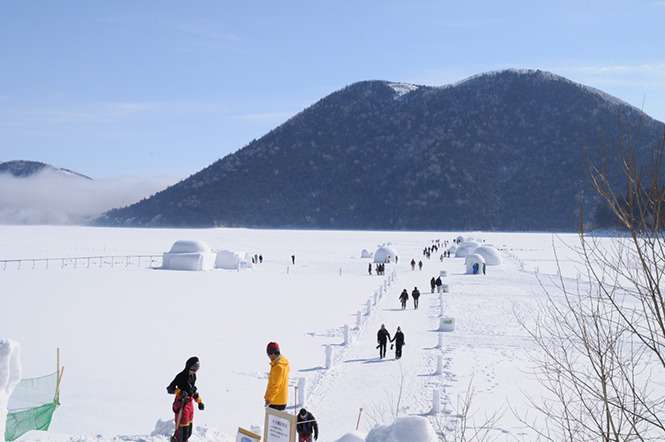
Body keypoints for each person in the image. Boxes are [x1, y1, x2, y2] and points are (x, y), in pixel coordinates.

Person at [167, 357, 205, 442]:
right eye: (194, 367)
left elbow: (192, 391)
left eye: (197, 367)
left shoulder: (193, 376)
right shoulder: (181, 376)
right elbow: (170, 389)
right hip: (182, 405)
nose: (195, 370)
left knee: (188, 432)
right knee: (181, 434)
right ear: (189, 366)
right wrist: (179, 392)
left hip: (190, 405)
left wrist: (199, 401)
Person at [265, 342, 290, 410]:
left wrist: (269, 399)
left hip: (276, 401)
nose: (269, 357)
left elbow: (275, 386)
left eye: (268, 354)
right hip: (282, 399)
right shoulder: (284, 362)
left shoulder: (278, 367)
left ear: (272, 353)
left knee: (272, 420)